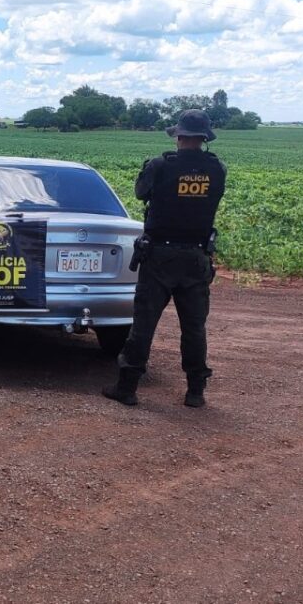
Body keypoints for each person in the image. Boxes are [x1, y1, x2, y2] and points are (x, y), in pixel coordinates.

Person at [103, 109, 227, 408]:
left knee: (144, 325)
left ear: (179, 136)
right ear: (204, 138)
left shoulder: (160, 165)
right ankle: (195, 392)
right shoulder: (217, 169)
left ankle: (127, 387)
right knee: (194, 328)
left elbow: (139, 193)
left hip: (160, 256)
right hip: (197, 256)